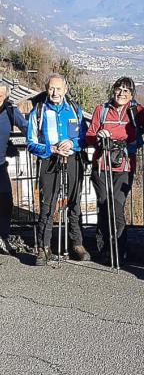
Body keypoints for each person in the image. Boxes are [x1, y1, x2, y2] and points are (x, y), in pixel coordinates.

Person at [86, 77, 144, 266]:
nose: (121, 93)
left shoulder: (135, 111)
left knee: (116, 205)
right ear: (113, 90)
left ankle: (119, 249)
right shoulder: (101, 110)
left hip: (125, 166)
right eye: (118, 89)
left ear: (131, 95)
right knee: (104, 204)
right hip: (101, 165)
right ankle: (105, 247)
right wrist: (98, 137)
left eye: (126, 91)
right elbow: (89, 135)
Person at [27, 74, 89, 265]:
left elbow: (85, 136)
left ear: (65, 89)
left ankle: (77, 244)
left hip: (73, 160)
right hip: (49, 161)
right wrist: (51, 149)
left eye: (58, 89)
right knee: (48, 205)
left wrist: (72, 143)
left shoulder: (74, 109)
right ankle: (43, 248)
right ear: (47, 89)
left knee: (74, 202)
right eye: (51, 88)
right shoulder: (38, 111)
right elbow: (30, 142)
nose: (55, 92)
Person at [0, 81, 28, 254]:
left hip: (0, 165)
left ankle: (3, 236)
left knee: (5, 202)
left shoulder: (10, 110)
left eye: (1, 95)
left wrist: (43, 141)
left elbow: (26, 128)